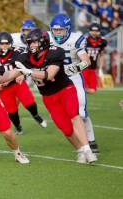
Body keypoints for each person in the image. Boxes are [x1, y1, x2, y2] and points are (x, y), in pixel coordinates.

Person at [16, 29, 97, 164]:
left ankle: (88, 149)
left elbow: (49, 75)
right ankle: (80, 151)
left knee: (74, 115)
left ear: (43, 42)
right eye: (30, 43)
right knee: (65, 128)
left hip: (65, 89)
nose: (32, 46)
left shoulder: (55, 52)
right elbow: (13, 71)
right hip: (48, 96)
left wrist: (28, 72)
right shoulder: (24, 57)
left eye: (34, 43)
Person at [49, 13, 99, 153]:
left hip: (74, 77)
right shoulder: (47, 38)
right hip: (57, 79)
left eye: (61, 30)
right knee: (66, 114)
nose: (58, 33)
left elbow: (87, 61)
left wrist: (76, 67)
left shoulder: (76, 39)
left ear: (68, 29)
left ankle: (91, 140)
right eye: (55, 30)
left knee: (81, 113)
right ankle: (83, 144)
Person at [0, 32, 46, 135]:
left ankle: (36, 115)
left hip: (17, 83)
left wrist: (22, 74)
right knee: (11, 111)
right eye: (2, 44)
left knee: (29, 101)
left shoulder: (17, 52)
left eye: (7, 44)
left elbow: (27, 64)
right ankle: (18, 127)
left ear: (11, 43)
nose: (4, 46)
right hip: (3, 88)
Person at [83, 23, 107, 93]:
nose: (94, 32)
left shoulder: (102, 42)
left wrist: (100, 69)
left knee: (93, 90)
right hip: (83, 68)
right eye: (92, 30)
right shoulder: (84, 40)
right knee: (82, 88)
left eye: (96, 31)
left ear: (99, 31)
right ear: (89, 31)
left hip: (93, 68)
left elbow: (101, 55)